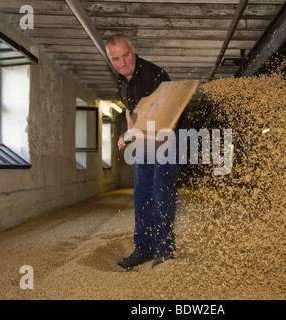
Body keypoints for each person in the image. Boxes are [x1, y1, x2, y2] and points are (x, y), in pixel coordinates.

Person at [105, 34, 186, 269]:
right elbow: (133, 113)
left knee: (161, 187)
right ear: (111, 61)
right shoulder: (122, 80)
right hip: (146, 137)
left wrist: (140, 134)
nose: (123, 63)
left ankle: (164, 249)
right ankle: (143, 249)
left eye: (126, 55)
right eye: (117, 59)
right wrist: (128, 135)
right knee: (141, 192)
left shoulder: (154, 76)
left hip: (171, 133)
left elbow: (164, 116)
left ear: (133, 49)